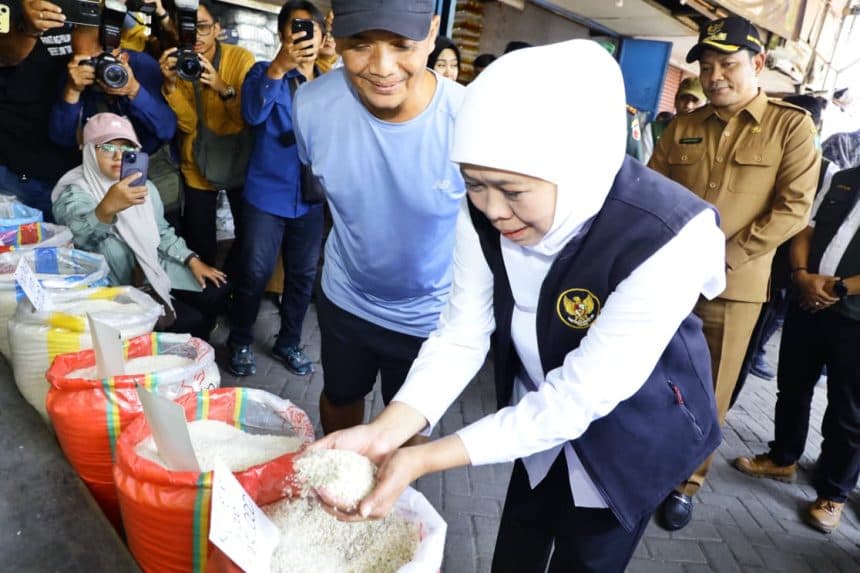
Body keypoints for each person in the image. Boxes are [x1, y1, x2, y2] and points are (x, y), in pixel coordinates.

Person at [310, 40, 725, 573]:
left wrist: (421, 458)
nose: (492, 210)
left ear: (577, 166)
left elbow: (578, 398)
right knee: (521, 540)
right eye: (475, 185)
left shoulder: (667, 236)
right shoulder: (483, 207)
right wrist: (387, 430)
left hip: (631, 430)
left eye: (511, 190)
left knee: (588, 554)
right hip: (535, 417)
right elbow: (462, 332)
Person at [648, 16, 821, 531]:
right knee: (651, 374)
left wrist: (722, 258)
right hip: (668, 279)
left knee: (710, 387)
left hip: (735, 286)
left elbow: (793, 208)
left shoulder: (790, 125)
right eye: (706, 65)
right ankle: (643, 459)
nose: (714, 74)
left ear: (758, 65)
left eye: (728, 63)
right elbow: (652, 193)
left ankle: (687, 483)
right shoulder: (683, 125)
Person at [292, 0, 466, 434]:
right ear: (334, 32)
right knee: (339, 401)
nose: (382, 67)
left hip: (429, 317)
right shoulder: (311, 104)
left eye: (402, 44)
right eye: (361, 45)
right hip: (346, 298)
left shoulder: (469, 119)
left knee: (404, 437)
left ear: (431, 32)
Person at [733, 165, 860, 534]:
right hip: (807, 302)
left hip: (854, 318)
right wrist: (803, 275)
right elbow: (807, 227)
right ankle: (782, 458)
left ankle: (833, 493)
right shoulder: (842, 178)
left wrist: (839, 289)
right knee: (793, 386)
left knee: (848, 411)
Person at [52, 113, 229, 340]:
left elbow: (162, 232)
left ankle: (199, 331)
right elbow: (77, 240)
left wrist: (191, 260)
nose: (118, 156)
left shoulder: (143, 187)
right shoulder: (74, 193)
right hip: (115, 287)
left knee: (218, 290)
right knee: (189, 321)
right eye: (107, 148)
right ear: (89, 152)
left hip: (152, 267)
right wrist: (105, 209)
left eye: (127, 149)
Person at [227, 0, 325, 377]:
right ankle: (239, 341)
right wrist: (280, 68)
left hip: (311, 199)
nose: (302, 35)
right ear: (282, 35)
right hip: (266, 195)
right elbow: (252, 114)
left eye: (309, 28)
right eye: (294, 28)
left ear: (321, 35)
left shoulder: (332, 83)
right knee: (254, 272)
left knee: (302, 276)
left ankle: (289, 342)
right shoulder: (260, 72)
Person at [158, 0, 254, 268]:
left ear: (217, 28)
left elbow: (245, 119)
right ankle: (209, 300)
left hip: (238, 158)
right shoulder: (178, 62)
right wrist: (170, 86)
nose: (196, 35)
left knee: (249, 236)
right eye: (189, 28)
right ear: (178, 31)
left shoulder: (240, 58)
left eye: (203, 27)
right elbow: (187, 125)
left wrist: (222, 87)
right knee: (200, 243)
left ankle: (233, 288)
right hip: (197, 165)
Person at [48, 21, 179, 218]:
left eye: (102, 61)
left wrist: (134, 90)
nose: (98, 69)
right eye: (86, 62)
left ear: (122, 56)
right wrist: (72, 91)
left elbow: (167, 129)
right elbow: (62, 139)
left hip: (150, 167)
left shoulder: (143, 67)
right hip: (99, 177)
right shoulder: (72, 76)